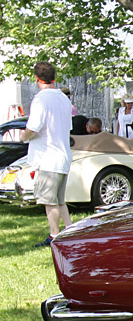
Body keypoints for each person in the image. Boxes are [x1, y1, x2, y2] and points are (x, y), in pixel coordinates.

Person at [22, 62, 73, 247]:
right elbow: (68, 127)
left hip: (48, 157)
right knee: (59, 200)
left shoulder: (41, 99)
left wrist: (23, 136)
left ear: (37, 79)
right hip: (64, 155)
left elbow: (33, 128)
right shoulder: (63, 98)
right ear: (54, 77)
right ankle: (70, 231)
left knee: (48, 200)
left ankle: (54, 236)